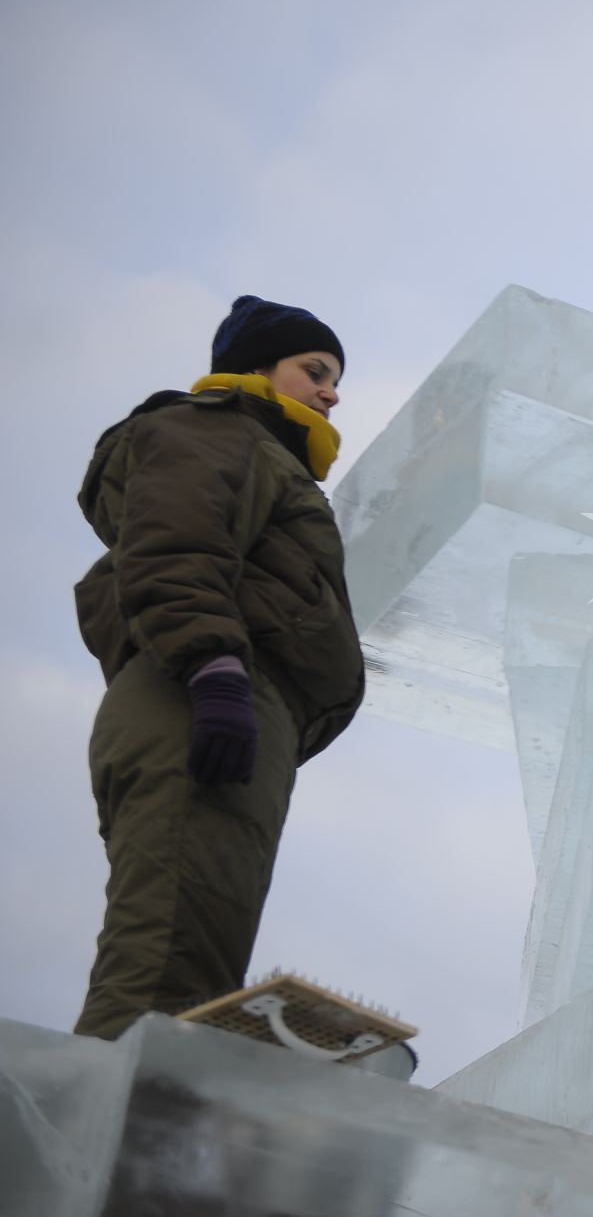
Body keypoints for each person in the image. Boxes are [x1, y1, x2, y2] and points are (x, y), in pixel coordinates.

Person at [72, 296, 366, 1040]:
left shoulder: (261, 451)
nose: (332, 392)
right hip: (200, 696)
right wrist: (214, 670)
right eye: (316, 370)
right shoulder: (220, 430)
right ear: (256, 366)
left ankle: (142, 1135)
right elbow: (179, 543)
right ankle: (108, 1141)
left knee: (195, 961)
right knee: (163, 972)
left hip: (229, 703)